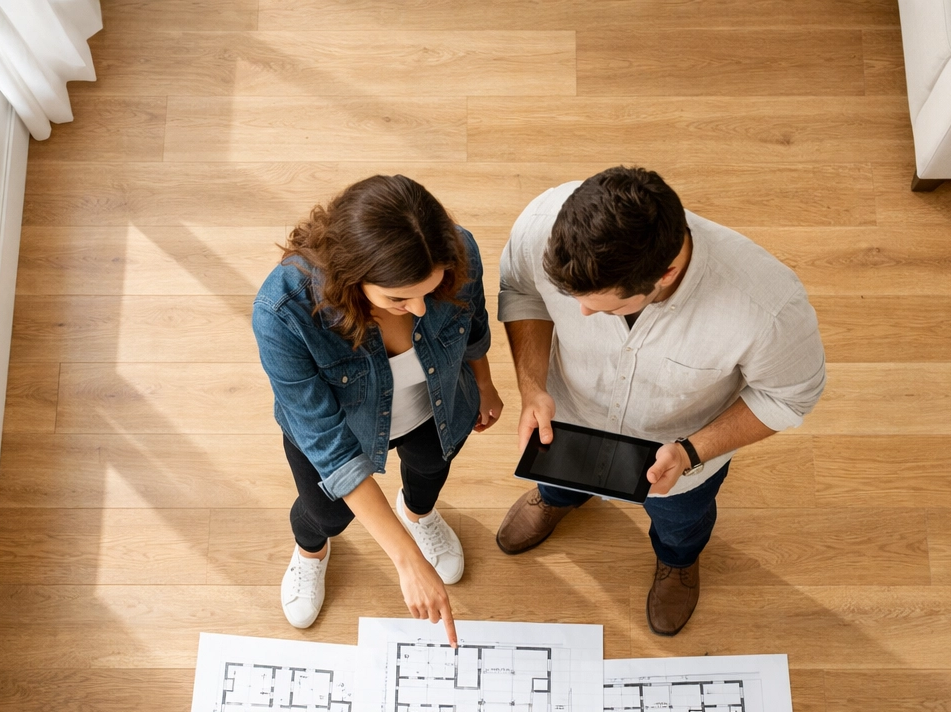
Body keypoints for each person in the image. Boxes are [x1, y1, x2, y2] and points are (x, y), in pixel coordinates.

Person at [496, 166, 825, 635]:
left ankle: (677, 560)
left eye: (604, 307)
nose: (581, 313)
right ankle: (557, 499)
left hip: (679, 458)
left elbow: (789, 398)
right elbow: (524, 293)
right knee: (558, 479)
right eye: (573, 299)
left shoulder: (768, 309)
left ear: (666, 274)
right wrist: (531, 386)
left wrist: (692, 451)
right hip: (568, 421)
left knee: (680, 523)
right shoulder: (541, 225)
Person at [253, 175, 503, 644]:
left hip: (438, 405)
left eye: (431, 290)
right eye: (399, 298)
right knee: (325, 513)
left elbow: (473, 326)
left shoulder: (458, 252)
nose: (422, 310)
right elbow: (328, 446)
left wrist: (485, 386)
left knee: (430, 468)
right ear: (351, 276)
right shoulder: (282, 312)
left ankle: (418, 514)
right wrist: (406, 561)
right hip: (340, 431)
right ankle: (311, 552)